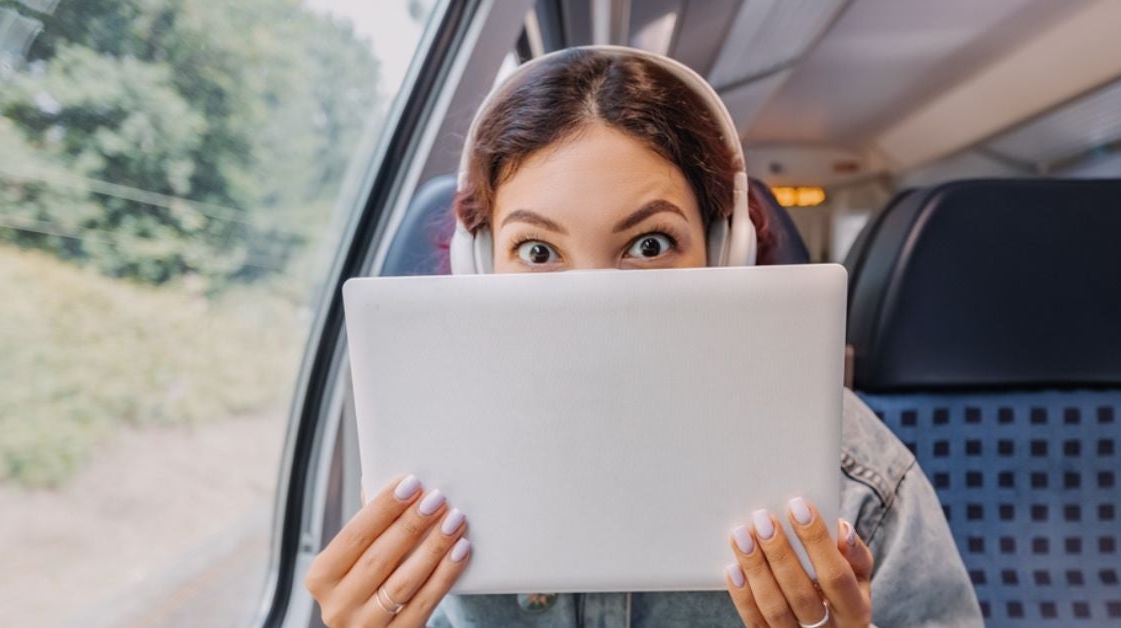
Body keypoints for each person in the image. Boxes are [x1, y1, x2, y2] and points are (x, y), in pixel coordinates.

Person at [305, 46, 981, 628]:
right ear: (481, 266)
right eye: (539, 253)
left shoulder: (852, 477)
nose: (597, 304)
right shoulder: (423, 466)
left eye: (648, 244)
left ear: (722, 249)